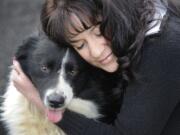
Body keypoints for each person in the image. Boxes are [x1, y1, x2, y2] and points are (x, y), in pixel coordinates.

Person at [12, 0, 180, 134]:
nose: (97, 51)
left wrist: (37, 100)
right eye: (80, 45)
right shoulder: (139, 18)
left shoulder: (162, 48)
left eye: (99, 32)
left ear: (113, 10)